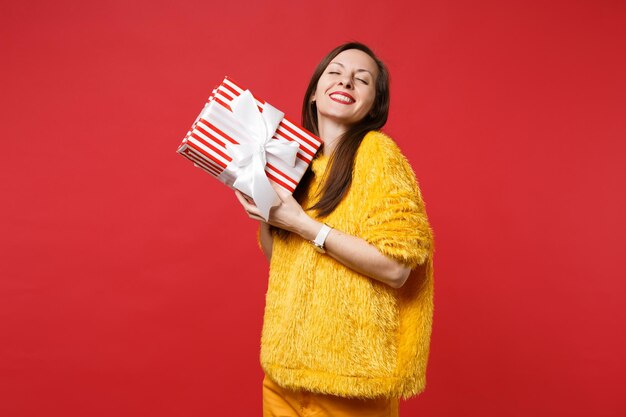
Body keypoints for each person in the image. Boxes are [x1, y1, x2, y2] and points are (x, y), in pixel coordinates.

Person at [235, 42, 434, 417]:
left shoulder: (378, 155)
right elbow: (285, 262)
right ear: (314, 92)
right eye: (336, 72)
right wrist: (264, 209)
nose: (346, 81)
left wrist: (303, 224)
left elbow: (397, 269)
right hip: (284, 373)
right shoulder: (295, 163)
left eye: (362, 80)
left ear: (374, 105)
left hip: (350, 382)